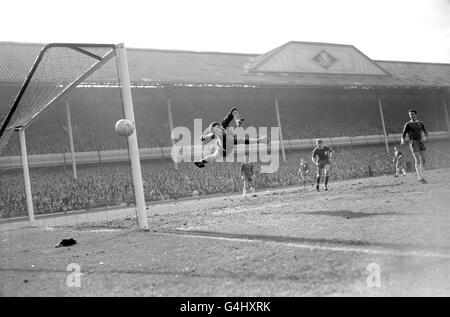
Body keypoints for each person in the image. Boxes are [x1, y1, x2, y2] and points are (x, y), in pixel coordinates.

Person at [194, 107, 266, 168]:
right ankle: (202, 161)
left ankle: (202, 161)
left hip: (224, 149)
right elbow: (245, 141)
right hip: (223, 147)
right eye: (218, 129)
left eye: (219, 127)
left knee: (214, 155)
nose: (221, 129)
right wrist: (259, 140)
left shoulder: (223, 126)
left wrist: (237, 119)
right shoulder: (226, 137)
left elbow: (233, 110)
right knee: (214, 154)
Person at [401, 109, 428, 183]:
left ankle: (422, 175)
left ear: (415, 114)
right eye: (410, 114)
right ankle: (420, 177)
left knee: (423, 160)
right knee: (418, 160)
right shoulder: (408, 124)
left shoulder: (420, 123)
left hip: (420, 142)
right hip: (413, 142)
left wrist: (425, 138)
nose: (411, 115)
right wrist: (402, 140)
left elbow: (426, 133)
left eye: (412, 114)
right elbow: (403, 134)